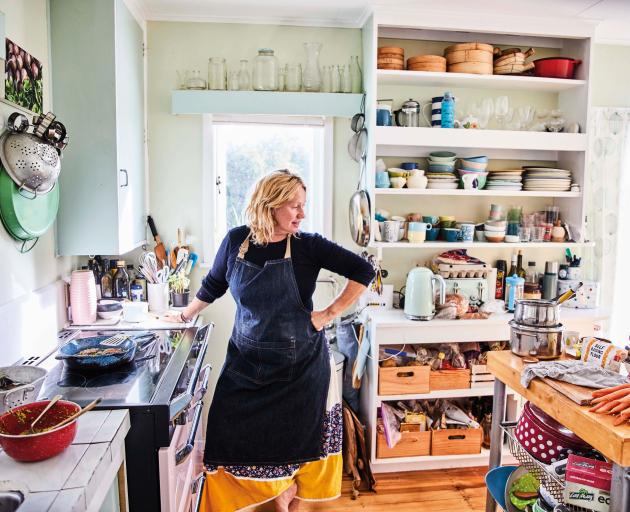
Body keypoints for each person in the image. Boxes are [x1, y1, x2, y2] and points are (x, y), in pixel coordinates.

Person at [166, 169, 375, 512]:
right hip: (245, 366)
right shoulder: (236, 241)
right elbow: (214, 284)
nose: (301, 213)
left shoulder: (309, 247)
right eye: (294, 205)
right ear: (270, 204)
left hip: (301, 370)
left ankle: (288, 498)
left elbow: (364, 271)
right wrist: (186, 314)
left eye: (303, 206)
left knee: (296, 447)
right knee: (227, 437)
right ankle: (266, 499)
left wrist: (328, 313)